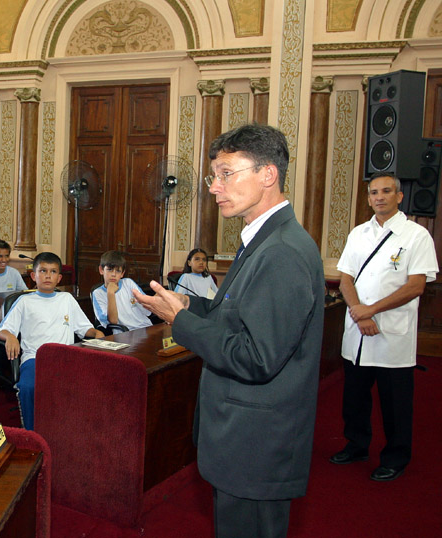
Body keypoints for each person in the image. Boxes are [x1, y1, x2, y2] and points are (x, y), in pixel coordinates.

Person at [133, 124, 325, 538]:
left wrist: (181, 323)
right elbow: (236, 314)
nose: (215, 188)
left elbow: (257, 357)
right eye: (213, 176)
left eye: (226, 174)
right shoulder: (264, 240)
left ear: (268, 174)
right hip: (246, 440)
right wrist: (185, 305)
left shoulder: (283, 253)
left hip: (256, 445)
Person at [330, 173, 438, 482]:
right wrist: (359, 314)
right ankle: (357, 445)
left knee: (395, 404)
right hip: (358, 330)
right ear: (368, 198)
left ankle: (395, 456)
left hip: (392, 335)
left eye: (386, 191)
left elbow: (416, 286)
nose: (380, 197)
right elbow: (345, 278)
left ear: (399, 196)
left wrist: (372, 310)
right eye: (374, 192)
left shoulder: (416, 236)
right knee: (354, 397)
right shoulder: (359, 233)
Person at [0, 252, 104, 430]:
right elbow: (3, 330)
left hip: (66, 356)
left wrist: (97, 333)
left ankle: (73, 428)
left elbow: (85, 328)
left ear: (59, 277)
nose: (48, 276)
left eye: (53, 272)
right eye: (43, 271)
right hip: (35, 358)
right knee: (28, 386)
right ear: (33, 276)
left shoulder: (67, 299)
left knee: (88, 382)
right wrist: (10, 336)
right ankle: (32, 432)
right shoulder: (25, 301)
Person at [91, 250, 153, 331]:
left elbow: (148, 310)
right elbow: (113, 321)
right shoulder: (98, 293)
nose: (113, 274)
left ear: (122, 273)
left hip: (145, 328)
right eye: (109, 270)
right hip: (123, 333)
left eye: (118, 271)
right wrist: (110, 293)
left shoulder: (128, 283)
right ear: (101, 270)